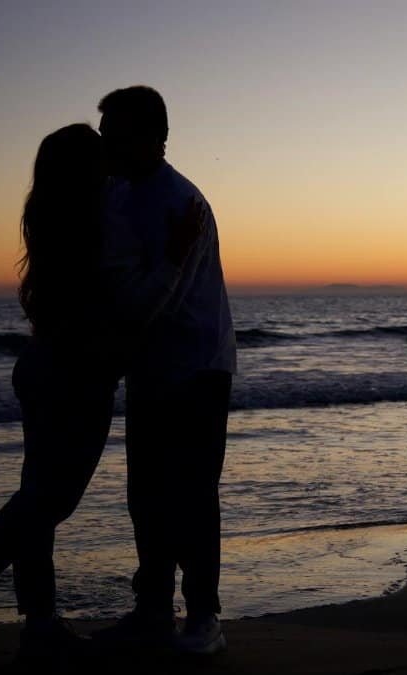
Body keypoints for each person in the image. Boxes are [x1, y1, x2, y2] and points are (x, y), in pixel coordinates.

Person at [0, 122, 203, 665]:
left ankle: (38, 625)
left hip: (45, 369)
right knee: (47, 502)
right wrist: (174, 257)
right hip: (74, 378)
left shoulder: (50, 216)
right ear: (85, 172)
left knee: (37, 499)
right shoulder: (93, 230)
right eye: (100, 158)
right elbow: (126, 304)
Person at [89, 85, 236, 656]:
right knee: (146, 494)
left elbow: (155, 304)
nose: (108, 145)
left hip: (198, 365)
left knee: (194, 493)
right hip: (151, 368)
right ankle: (152, 610)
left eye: (117, 135)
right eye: (105, 135)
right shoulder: (118, 194)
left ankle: (204, 616)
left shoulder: (182, 204)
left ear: (154, 138)